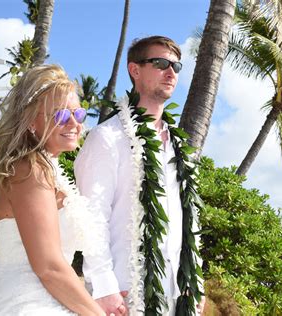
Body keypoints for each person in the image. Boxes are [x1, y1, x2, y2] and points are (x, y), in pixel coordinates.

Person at [75, 36, 205, 315]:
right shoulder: (106, 138)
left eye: (176, 66)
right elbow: (92, 218)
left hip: (177, 294)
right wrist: (104, 288)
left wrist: (195, 281)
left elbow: (186, 220)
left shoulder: (178, 146)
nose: (171, 73)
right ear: (135, 70)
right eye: (160, 63)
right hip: (124, 295)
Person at [0, 64, 106, 315]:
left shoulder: (42, 168)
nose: (74, 123)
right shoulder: (29, 170)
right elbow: (48, 267)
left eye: (79, 114)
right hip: (29, 306)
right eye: (60, 115)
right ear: (30, 122)